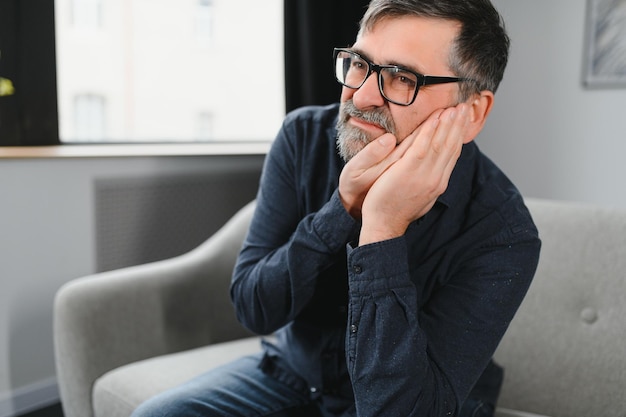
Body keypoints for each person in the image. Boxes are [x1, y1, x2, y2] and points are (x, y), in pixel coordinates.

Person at [131, 0, 541, 416]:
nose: (360, 96)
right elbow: (254, 308)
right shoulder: (303, 137)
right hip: (293, 377)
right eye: (359, 63)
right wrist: (341, 209)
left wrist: (383, 227)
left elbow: (399, 410)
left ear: (471, 114)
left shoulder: (504, 233)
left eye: (402, 78)